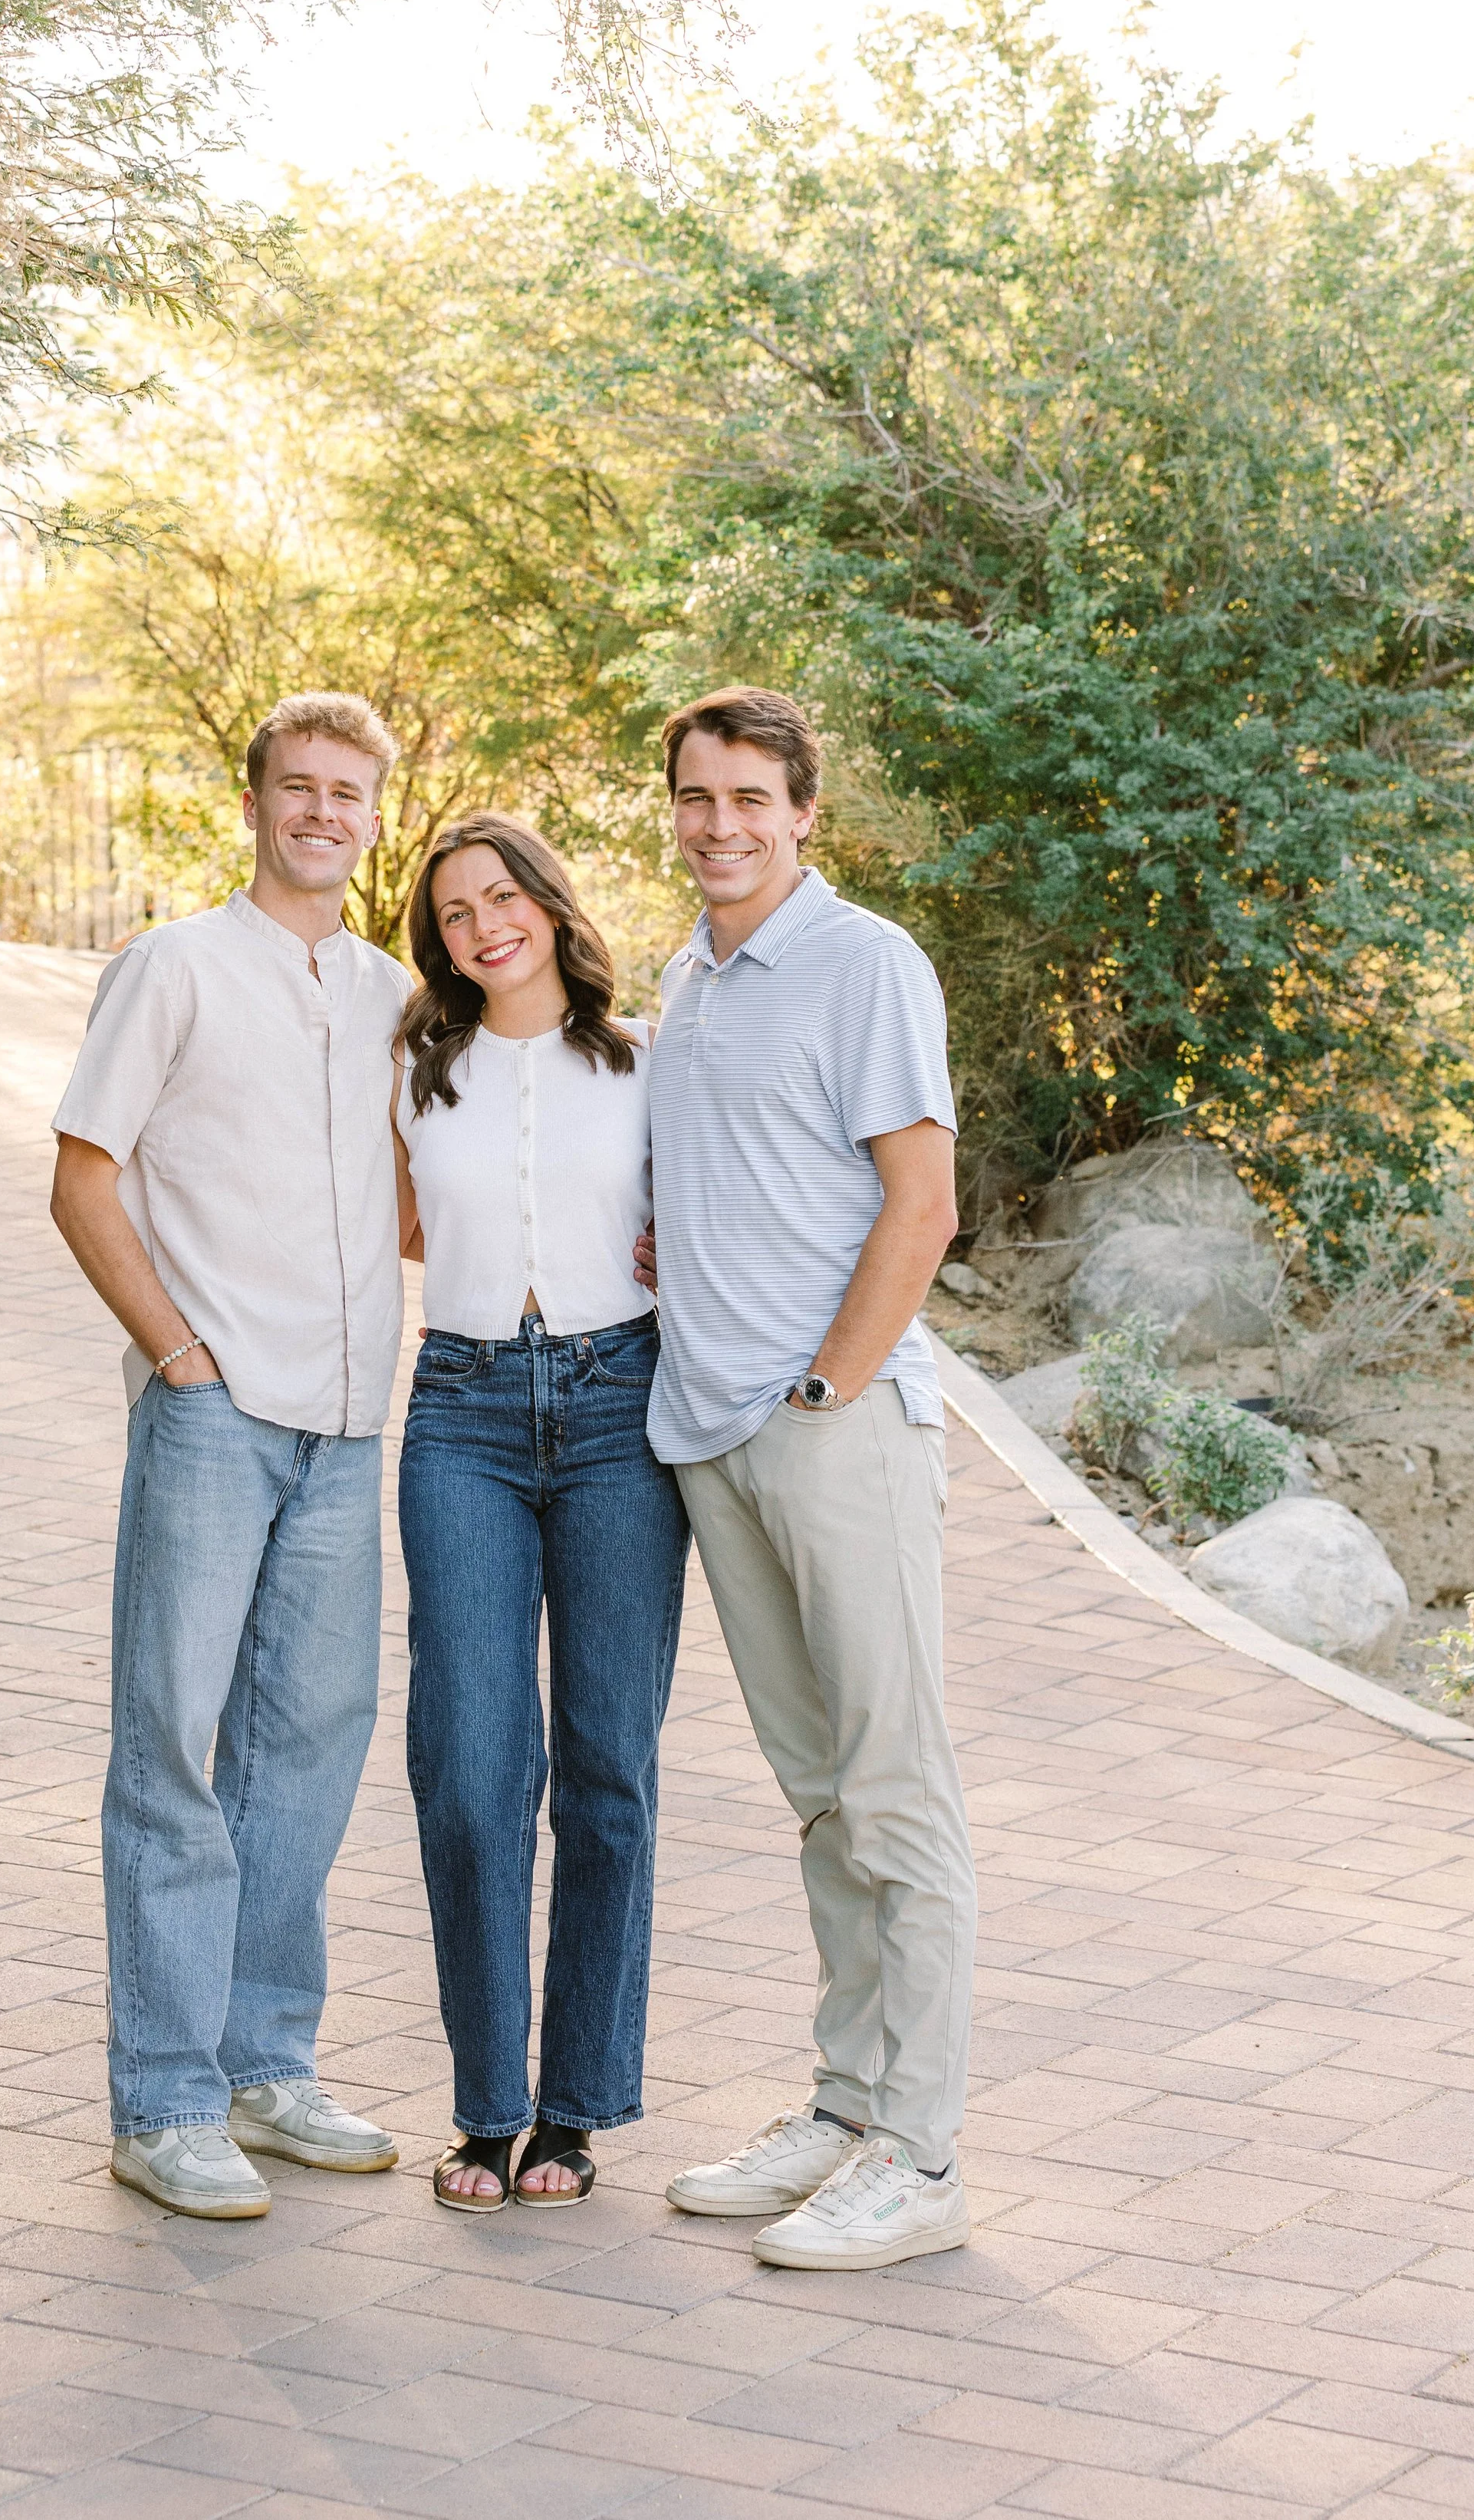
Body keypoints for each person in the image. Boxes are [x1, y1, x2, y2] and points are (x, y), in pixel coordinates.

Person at [49, 691, 411, 2219]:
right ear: (255, 801)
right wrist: (179, 1356)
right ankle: (164, 2101)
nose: (321, 811)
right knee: (172, 1753)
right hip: (213, 1419)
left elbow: (409, 1198)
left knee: (307, 1757)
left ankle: (266, 2067)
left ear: (374, 816)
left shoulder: (395, 992)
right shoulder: (176, 967)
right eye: (299, 787)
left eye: (348, 793)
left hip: (344, 1430)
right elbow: (81, 1177)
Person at [645, 686, 975, 2272]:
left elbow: (921, 1203)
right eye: (695, 798)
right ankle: (843, 2112)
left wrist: (829, 1385)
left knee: (894, 1790)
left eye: (749, 799)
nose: (719, 826)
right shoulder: (686, 982)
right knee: (819, 1800)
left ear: (802, 814)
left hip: (830, 1426)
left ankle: (917, 2156)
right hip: (711, 1437)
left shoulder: (863, 963)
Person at [392, 813, 690, 2213]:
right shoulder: (417, 1063)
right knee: (466, 1764)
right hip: (458, 1409)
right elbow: (397, 1221)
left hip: (620, 1406)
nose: (481, 926)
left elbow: (712, 1205)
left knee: (609, 1766)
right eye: (454, 913)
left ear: (549, 904)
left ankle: (572, 2109)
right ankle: (484, 2108)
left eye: (501, 896)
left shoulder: (643, 1061)